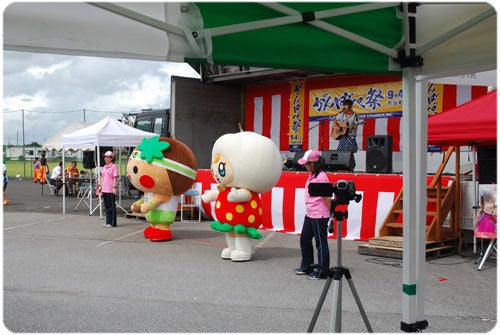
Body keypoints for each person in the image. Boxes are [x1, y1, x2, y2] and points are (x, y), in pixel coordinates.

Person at [294, 150, 331, 280]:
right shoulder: (312, 175)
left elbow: (327, 197)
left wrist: (329, 215)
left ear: (313, 163)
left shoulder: (321, 177)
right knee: (304, 239)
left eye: (306, 164)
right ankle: (307, 266)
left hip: (319, 214)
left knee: (320, 243)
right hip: (310, 213)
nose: (304, 166)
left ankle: (322, 271)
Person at [331, 99, 362, 169]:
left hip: (350, 135)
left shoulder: (355, 115)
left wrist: (353, 127)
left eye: (346, 105)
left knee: (349, 152)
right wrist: (337, 127)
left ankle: (350, 166)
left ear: (350, 106)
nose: (345, 107)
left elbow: (356, 126)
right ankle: (340, 166)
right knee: (340, 150)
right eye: (344, 105)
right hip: (342, 135)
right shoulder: (341, 114)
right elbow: (335, 122)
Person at [99, 151, 118, 228]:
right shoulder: (104, 167)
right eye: (105, 157)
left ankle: (112, 222)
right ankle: (107, 221)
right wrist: (100, 185)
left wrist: (114, 187)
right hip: (104, 189)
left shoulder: (113, 167)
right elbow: (102, 177)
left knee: (111, 206)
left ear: (111, 158)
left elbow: (115, 177)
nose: (106, 158)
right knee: (106, 206)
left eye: (107, 157)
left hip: (110, 189)